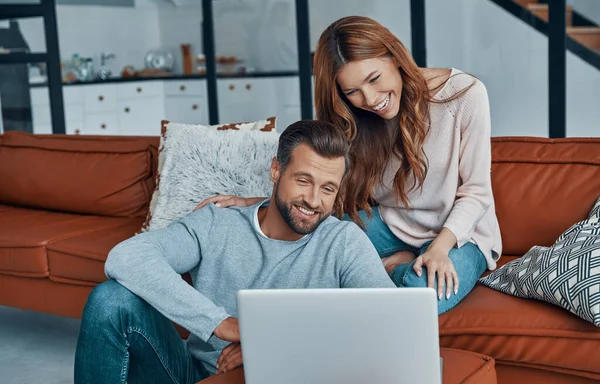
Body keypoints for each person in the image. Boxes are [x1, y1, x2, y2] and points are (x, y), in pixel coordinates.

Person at [196, 16, 502, 315]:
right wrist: (254, 203)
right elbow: (326, 184)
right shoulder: (354, 117)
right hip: (392, 223)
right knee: (307, 249)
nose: (370, 99)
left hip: (462, 234)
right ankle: (394, 263)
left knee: (417, 301)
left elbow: (476, 193)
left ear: (395, 56)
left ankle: (396, 268)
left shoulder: (464, 95)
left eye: (374, 79)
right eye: (353, 91)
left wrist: (440, 248)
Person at [73, 120, 395, 384]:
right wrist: (223, 324)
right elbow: (126, 257)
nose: (313, 200)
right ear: (275, 171)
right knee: (110, 299)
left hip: (285, 374)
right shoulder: (217, 222)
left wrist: (268, 342)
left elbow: (388, 322)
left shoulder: (343, 241)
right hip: (194, 374)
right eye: (303, 180)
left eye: (328, 189)